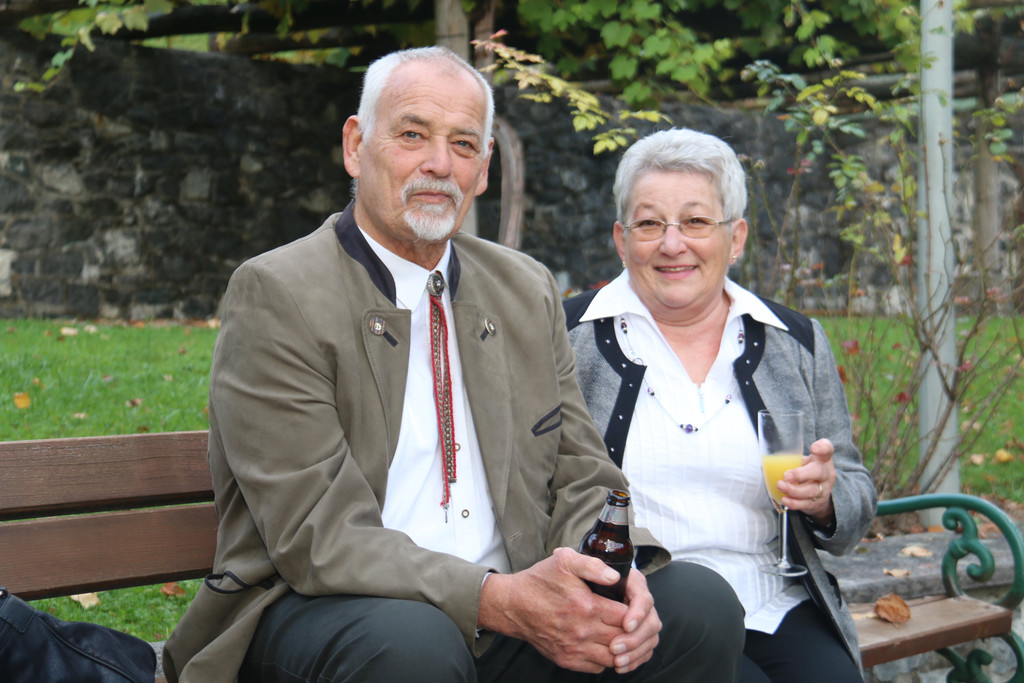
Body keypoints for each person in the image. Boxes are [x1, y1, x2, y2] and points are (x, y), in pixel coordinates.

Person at [162, 49, 744, 683]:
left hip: (511, 609)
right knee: (415, 645)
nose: (439, 164)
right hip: (327, 610)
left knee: (698, 607)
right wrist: (497, 599)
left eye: (463, 144)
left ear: (483, 169)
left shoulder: (523, 287)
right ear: (356, 146)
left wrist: (612, 576)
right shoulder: (279, 293)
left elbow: (581, 472)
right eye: (413, 135)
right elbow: (316, 534)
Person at [564, 128, 877, 683]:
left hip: (774, 599)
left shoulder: (795, 342)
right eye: (650, 224)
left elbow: (854, 496)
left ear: (736, 238)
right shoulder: (567, 338)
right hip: (643, 608)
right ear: (621, 239)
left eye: (696, 222)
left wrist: (826, 500)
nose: (672, 244)